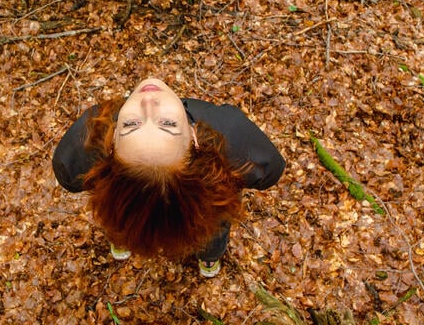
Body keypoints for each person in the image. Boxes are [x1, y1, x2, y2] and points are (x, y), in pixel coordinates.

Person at [52, 77, 285, 278]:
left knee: (123, 215)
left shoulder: (89, 138)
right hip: (201, 215)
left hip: (126, 212)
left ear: (111, 145)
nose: (148, 102)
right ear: (194, 138)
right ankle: (210, 258)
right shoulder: (231, 134)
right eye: (168, 124)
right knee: (212, 223)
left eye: (132, 124)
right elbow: (270, 169)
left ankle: (122, 240)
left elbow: (67, 173)